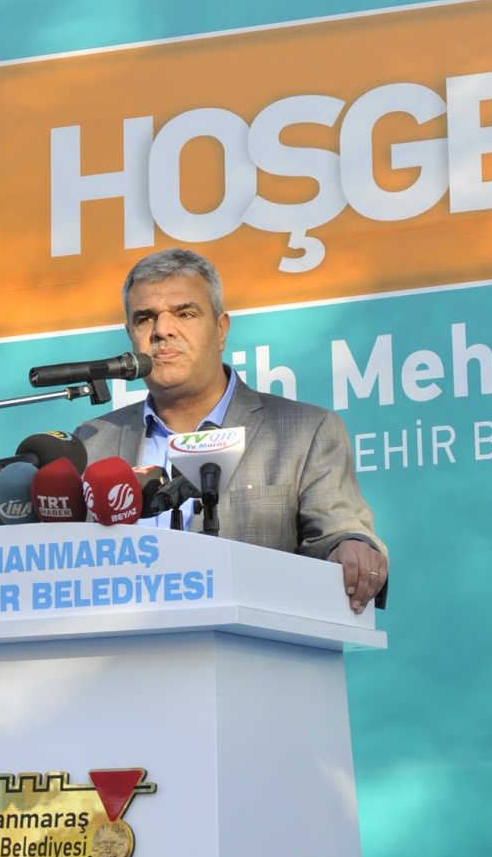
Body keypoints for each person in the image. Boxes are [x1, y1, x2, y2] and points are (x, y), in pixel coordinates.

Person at [75, 248, 388, 614]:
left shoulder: (305, 432)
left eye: (185, 313)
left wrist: (351, 548)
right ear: (130, 334)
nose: (161, 330)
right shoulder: (93, 441)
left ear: (221, 329)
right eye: (145, 319)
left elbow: (338, 532)